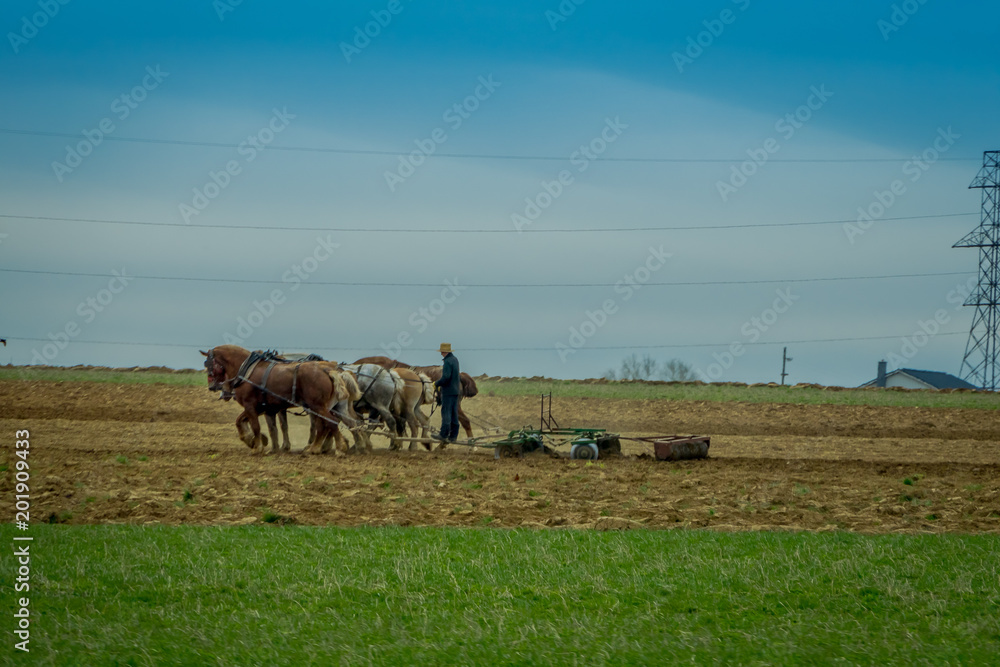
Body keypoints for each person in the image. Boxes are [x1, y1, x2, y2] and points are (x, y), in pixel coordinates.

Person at [433, 343, 461, 446]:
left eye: (441, 352)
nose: (441, 353)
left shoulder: (447, 362)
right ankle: (453, 436)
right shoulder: (455, 359)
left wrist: (437, 383)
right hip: (455, 391)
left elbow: (446, 377)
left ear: (445, 352)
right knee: (454, 414)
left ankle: (443, 435)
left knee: (446, 413)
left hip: (448, 392)